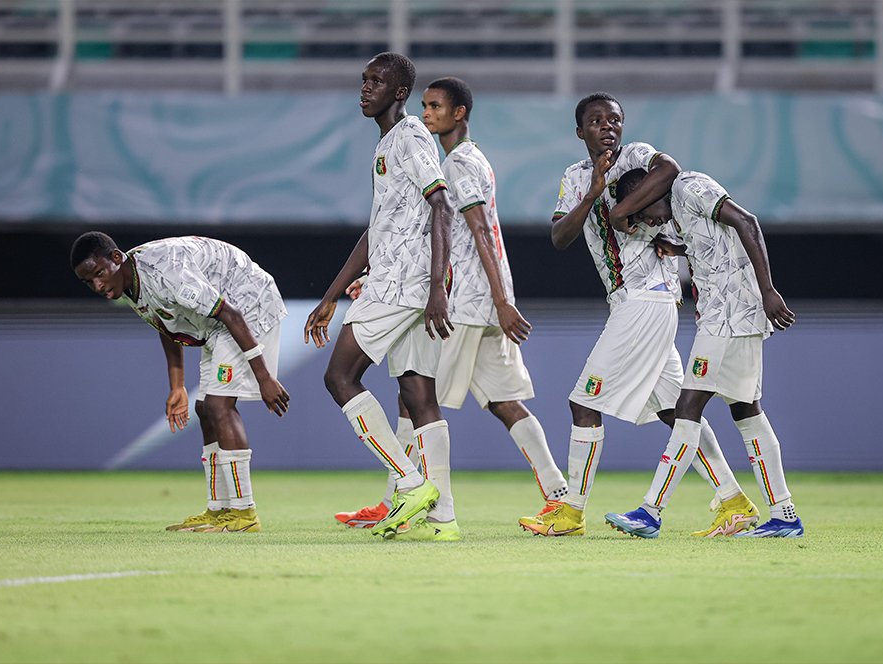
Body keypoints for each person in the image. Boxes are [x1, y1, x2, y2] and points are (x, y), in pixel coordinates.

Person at [333, 77, 568, 537]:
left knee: (415, 395)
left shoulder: (457, 165)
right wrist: (502, 298)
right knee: (504, 402)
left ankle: (403, 499)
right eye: (425, 105)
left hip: (466, 301)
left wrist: (498, 302)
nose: (427, 114)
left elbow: (478, 232)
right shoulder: (476, 159)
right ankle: (560, 496)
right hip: (490, 298)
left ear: (460, 113)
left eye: (437, 106)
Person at [519, 92, 758, 538]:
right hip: (636, 300)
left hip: (647, 296)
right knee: (674, 410)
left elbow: (670, 170)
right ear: (579, 131)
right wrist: (593, 194)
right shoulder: (574, 177)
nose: (607, 126)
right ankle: (733, 500)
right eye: (595, 120)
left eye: (614, 119)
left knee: (584, 402)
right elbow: (559, 237)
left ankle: (571, 510)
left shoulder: (637, 156)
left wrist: (618, 209)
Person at [304, 52, 458, 540]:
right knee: (417, 393)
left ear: (400, 92)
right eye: (364, 79)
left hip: (400, 284)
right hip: (402, 283)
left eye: (377, 81)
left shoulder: (410, 136)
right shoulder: (389, 143)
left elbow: (443, 207)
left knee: (339, 376)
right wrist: (330, 294)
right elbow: (377, 232)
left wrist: (437, 287)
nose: (365, 87)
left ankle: (410, 483)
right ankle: (444, 519)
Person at [603, 167, 803, 538]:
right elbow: (717, 245)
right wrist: (681, 249)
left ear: (648, 194)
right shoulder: (678, 214)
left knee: (687, 407)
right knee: (746, 411)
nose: (651, 223)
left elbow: (747, 222)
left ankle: (650, 511)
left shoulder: (689, 186)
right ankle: (784, 514)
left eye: (645, 214)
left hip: (728, 316)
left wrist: (769, 290)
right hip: (727, 316)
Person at [70, 232, 290, 533]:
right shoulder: (129, 280)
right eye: (88, 282)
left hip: (249, 304)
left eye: (99, 274)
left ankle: (243, 513)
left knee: (219, 405)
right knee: (204, 408)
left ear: (117, 258)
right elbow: (166, 323)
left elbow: (230, 313)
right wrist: (178, 387)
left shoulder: (166, 273)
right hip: (217, 323)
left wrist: (265, 378)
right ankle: (218, 510)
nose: (97, 285)